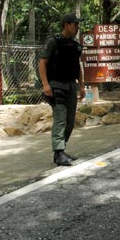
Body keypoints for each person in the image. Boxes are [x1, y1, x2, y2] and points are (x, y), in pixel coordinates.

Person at [39, 13, 85, 166]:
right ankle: (58, 152)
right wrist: (45, 84)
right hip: (56, 86)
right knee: (60, 118)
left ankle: (61, 151)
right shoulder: (53, 42)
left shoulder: (75, 45)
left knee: (70, 121)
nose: (77, 27)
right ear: (66, 25)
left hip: (71, 85)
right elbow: (42, 63)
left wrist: (82, 85)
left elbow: (77, 66)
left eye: (78, 24)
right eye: (75, 24)